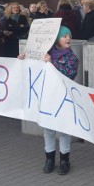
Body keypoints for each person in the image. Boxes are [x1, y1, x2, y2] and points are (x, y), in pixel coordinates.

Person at [19, 26, 79, 175]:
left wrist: (51, 63)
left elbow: (69, 74)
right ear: (56, 39)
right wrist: (22, 60)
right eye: (64, 36)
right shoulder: (45, 54)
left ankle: (65, 161)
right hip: (47, 97)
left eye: (69, 36)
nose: (68, 38)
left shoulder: (71, 58)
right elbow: (31, 69)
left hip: (63, 99)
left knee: (64, 130)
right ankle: (49, 159)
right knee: (49, 130)